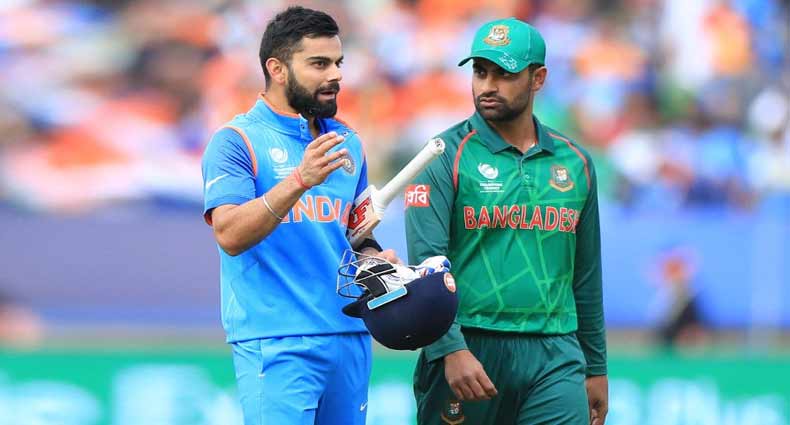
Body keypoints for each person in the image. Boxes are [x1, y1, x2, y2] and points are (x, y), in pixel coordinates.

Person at [405, 17, 609, 425]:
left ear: (538, 78)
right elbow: (426, 266)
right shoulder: (442, 156)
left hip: (555, 351)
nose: (487, 85)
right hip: (470, 346)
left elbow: (586, 276)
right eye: (480, 72)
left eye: (504, 74)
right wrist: (450, 349)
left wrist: (596, 366)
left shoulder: (576, 162)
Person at [201, 6, 397, 425]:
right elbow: (229, 234)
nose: (336, 75)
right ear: (277, 69)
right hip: (277, 340)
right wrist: (299, 180)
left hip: (349, 335)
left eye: (338, 63)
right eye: (319, 64)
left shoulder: (347, 141)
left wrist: (374, 260)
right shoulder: (236, 141)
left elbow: (355, 235)